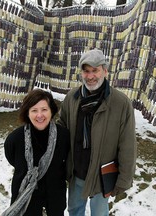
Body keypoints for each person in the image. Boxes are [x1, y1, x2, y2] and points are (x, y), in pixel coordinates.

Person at [58, 48, 137, 216]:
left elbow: (128, 144)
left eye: (95, 70)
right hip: (77, 171)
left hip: (102, 177)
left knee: (99, 213)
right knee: (74, 210)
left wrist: (124, 179)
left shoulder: (121, 103)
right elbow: (61, 130)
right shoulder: (72, 98)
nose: (90, 76)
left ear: (105, 71)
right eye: (86, 71)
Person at [3, 89, 70, 216]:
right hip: (26, 202)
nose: (40, 115)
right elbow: (12, 159)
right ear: (27, 113)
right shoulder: (15, 139)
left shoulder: (64, 137)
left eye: (44, 109)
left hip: (54, 200)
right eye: (34, 110)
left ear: (52, 111)